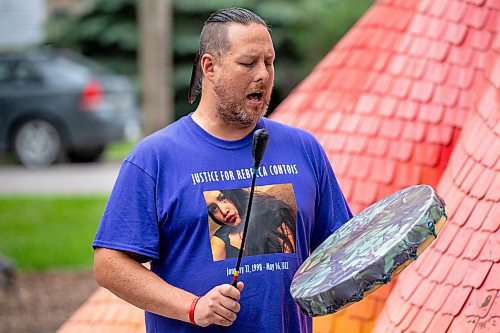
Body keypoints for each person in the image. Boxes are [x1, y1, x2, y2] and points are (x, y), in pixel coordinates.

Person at [93, 7, 352, 333]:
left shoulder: (304, 149)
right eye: (248, 63)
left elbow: (343, 249)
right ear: (209, 67)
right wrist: (193, 307)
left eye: (269, 62)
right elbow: (109, 265)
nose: (263, 75)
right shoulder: (155, 158)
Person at [205, 188, 296, 261]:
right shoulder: (219, 242)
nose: (224, 211)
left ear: (232, 194)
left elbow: (289, 264)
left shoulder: (271, 212)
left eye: (222, 198)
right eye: (214, 208)